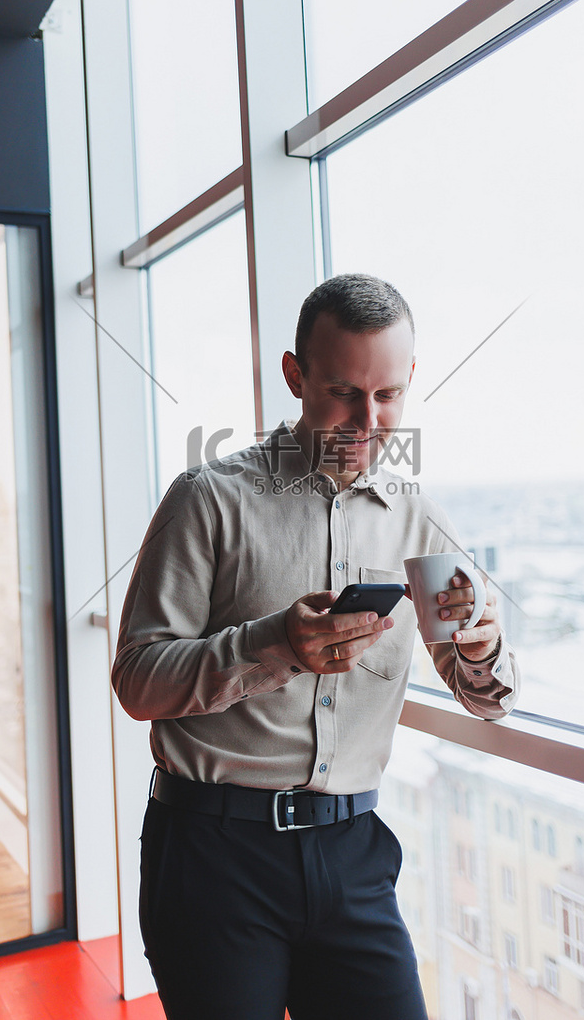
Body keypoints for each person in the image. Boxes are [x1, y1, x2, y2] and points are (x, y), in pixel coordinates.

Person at [113, 274, 518, 1020]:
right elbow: (137, 680)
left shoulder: (415, 522)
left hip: (354, 855)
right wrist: (277, 645)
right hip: (213, 854)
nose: (368, 420)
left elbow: (484, 699)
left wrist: (483, 643)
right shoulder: (208, 499)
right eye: (343, 391)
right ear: (296, 376)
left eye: (388, 395)